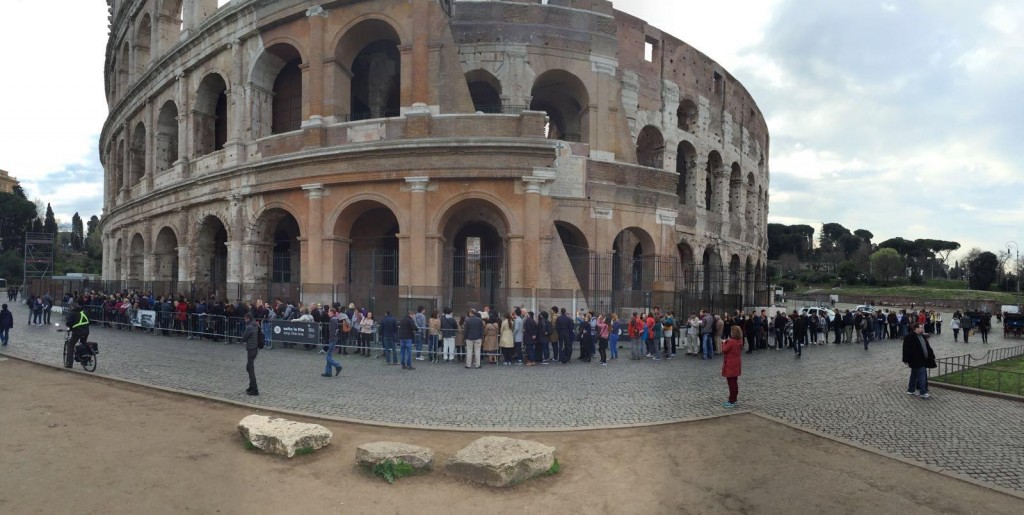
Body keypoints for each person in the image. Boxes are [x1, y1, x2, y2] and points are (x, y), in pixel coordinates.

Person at [902, 322, 936, 399]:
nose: (922, 329)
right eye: (921, 327)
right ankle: (923, 392)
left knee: (914, 375)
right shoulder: (909, 337)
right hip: (915, 360)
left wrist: (931, 355)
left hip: (923, 359)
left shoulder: (922, 336)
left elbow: (927, 347)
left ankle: (911, 390)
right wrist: (905, 360)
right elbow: (905, 349)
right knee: (922, 376)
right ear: (916, 328)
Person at [721, 325, 743, 408]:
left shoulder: (731, 342)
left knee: (731, 383)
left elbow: (724, 350)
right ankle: (734, 398)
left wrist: (724, 343)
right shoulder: (739, 340)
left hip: (730, 363)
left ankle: (731, 400)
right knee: (735, 382)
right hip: (737, 363)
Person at [64, 302, 90, 368]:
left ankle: (69, 363)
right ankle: (85, 361)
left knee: (70, 346)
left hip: (77, 332)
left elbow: (69, 323)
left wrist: (68, 325)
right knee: (83, 344)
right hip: (86, 331)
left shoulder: (73, 313)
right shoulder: (84, 311)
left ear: (72, 307)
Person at [240, 313, 260, 395]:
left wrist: (242, 340)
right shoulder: (255, 325)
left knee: (250, 369)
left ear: (247, 318)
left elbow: (244, 338)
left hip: (251, 349)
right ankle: (251, 386)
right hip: (255, 348)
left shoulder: (249, 327)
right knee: (248, 367)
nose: (245, 320)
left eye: (245, 319)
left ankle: (255, 389)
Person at [321, 308, 343, 377]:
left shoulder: (333, 320)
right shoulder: (334, 319)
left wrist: (331, 339)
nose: (328, 313)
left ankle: (337, 366)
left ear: (332, 313)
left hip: (332, 339)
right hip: (333, 339)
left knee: (328, 356)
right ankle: (328, 372)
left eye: (329, 312)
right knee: (329, 355)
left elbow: (332, 331)